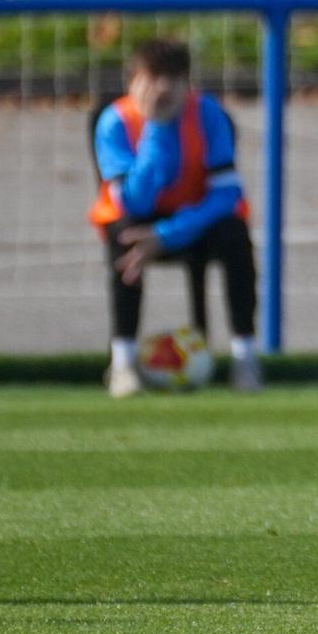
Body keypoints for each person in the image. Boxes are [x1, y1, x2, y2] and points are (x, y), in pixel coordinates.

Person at [89, 37, 261, 397]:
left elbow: (227, 195)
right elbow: (133, 204)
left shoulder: (209, 114)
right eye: (152, 78)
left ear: (188, 84)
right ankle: (122, 363)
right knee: (126, 239)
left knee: (235, 234)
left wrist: (168, 235)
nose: (163, 88)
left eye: (174, 78)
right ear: (132, 82)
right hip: (137, 222)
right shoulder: (114, 122)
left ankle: (245, 357)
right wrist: (158, 129)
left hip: (194, 219)